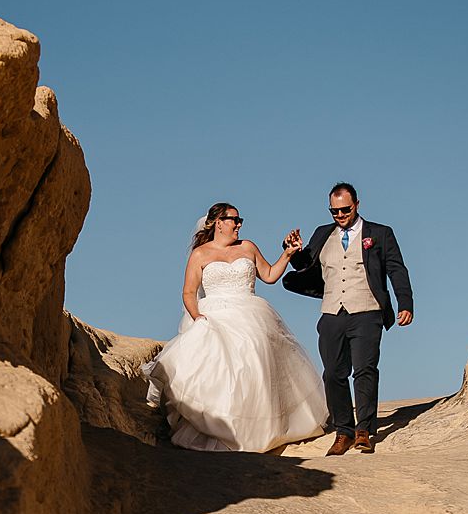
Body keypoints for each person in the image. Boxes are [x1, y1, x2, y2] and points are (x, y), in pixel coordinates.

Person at [142, 203, 328, 452]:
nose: (239, 224)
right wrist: (198, 317)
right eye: (234, 220)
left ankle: (261, 430)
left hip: (251, 312)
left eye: (240, 220)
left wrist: (287, 254)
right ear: (219, 222)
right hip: (214, 315)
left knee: (255, 358)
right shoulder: (200, 254)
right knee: (223, 370)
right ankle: (226, 429)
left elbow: (270, 275)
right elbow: (188, 292)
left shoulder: (248, 247)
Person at [281, 182, 414, 454]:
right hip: (332, 312)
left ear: (357, 205)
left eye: (345, 210)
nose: (340, 215)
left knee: (364, 370)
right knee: (333, 373)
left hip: (367, 310)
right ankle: (344, 430)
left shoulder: (380, 233)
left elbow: (396, 269)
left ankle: (364, 430)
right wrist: (294, 251)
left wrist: (405, 303)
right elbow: (305, 266)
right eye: (334, 211)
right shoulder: (322, 234)